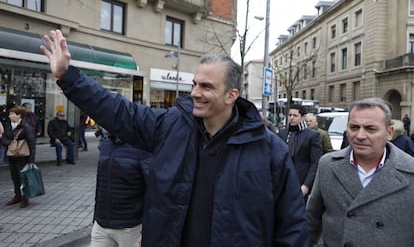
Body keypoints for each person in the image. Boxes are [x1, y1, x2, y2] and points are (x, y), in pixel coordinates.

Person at [40, 29, 308, 246]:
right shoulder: (171, 126)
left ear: (231, 95)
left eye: (206, 86)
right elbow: (120, 112)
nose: (195, 92)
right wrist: (69, 77)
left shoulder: (268, 149)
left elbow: (292, 226)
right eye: (194, 84)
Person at [307, 98, 414, 246]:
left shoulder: (410, 171)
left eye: (370, 129)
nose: (360, 135)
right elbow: (311, 220)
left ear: (389, 132)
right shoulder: (328, 165)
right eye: (354, 127)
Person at [91, 136, 152, 247]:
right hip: (101, 226)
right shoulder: (105, 144)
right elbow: (100, 184)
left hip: (130, 228)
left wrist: (147, 231)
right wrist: (96, 217)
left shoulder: (142, 148)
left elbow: (153, 191)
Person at [277, 104, 322, 199]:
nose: (291, 118)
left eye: (295, 115)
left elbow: (315, 162)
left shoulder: (312, 136)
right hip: (282, 182)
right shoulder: (282, 133)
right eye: (290, 115)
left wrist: (306, 185)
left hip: (301, 183)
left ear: (303, 117)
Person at [3, 106, 36, 208]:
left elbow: (32, 143)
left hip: (23, 157)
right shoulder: (9, 125)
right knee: (14, 177)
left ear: (19, 115)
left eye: (12, 114)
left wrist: (31, 160)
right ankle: (17, 196)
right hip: (12, 155)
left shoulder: (26, 126)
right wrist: (9, 143)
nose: (9, 116)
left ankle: (25, 198)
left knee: (23, 178)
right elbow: (4, 138)